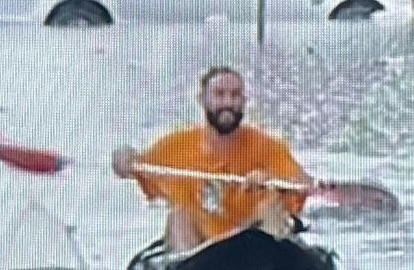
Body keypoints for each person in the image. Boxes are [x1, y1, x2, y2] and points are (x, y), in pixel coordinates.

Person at [112, 66, 318, 254]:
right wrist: (124, 159)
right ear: (202, 99)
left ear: (244, 102)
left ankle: (269, 266)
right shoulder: (175, 146)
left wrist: (271, 180)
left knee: (271, 209)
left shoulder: (267, 146)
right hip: (200, 245)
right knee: (180, 216)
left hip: (252, 238)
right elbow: (134, 165)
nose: (228, 103)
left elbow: (302, 182)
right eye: (219, 95)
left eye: (235, 95)